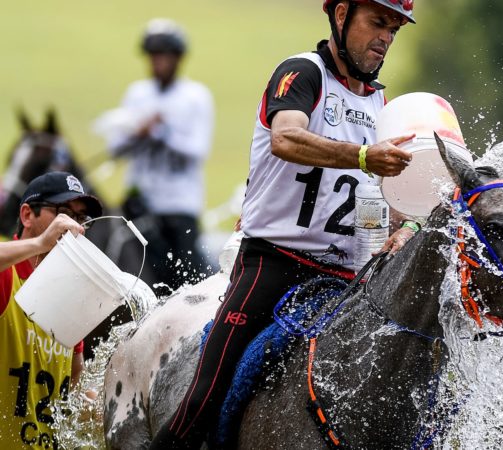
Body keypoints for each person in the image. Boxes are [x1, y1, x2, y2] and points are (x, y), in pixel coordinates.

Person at [149, 1, 419, 447]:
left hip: (348, 279)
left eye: (393, 29)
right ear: (341, 15)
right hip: (273, 264)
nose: (385, 38)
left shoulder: (380, 104)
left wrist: (400, 228)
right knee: (203, 399)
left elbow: (372, 195)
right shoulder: (303, 73)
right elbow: (285, 138)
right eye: (377, 23)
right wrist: (364, 155)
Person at [105, 18, 214, 292]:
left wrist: (159, 132)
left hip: (178, 205)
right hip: (141, 201)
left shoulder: (196, 96)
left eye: (163, 56)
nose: (157, 62)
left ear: (177, 58)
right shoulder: (137, 94)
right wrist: (135, 134)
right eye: (153, 56)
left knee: (187, 279)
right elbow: (115, 148)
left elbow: (198, 149)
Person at [0, 171, 103, 449]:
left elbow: (75, 389)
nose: (73, 226)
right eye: (62, 212)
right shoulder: (7, 276)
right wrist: (39, 244)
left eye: (81, 219)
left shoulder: (70, 295)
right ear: (26, 216)